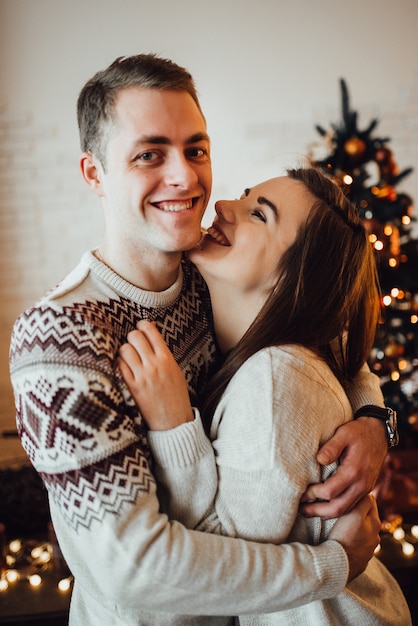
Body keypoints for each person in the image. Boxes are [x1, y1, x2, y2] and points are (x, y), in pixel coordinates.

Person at [9, 54, 387, 625]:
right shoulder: (60, 342)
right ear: (94, 174)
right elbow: (135, 567)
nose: (186, 178)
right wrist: (334, 564)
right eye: (149, 155)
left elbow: (311, 336)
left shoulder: (208, 280)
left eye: (196, 149)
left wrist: (373, 420)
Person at [119, 167, 411, 625]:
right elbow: (351, 362)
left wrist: (174, 427)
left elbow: (222, 564)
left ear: (291, 281)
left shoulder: (275, 378)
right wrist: (376, 416)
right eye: (244, 196)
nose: (222, 207)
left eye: (259, 214)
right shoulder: (216, 307)